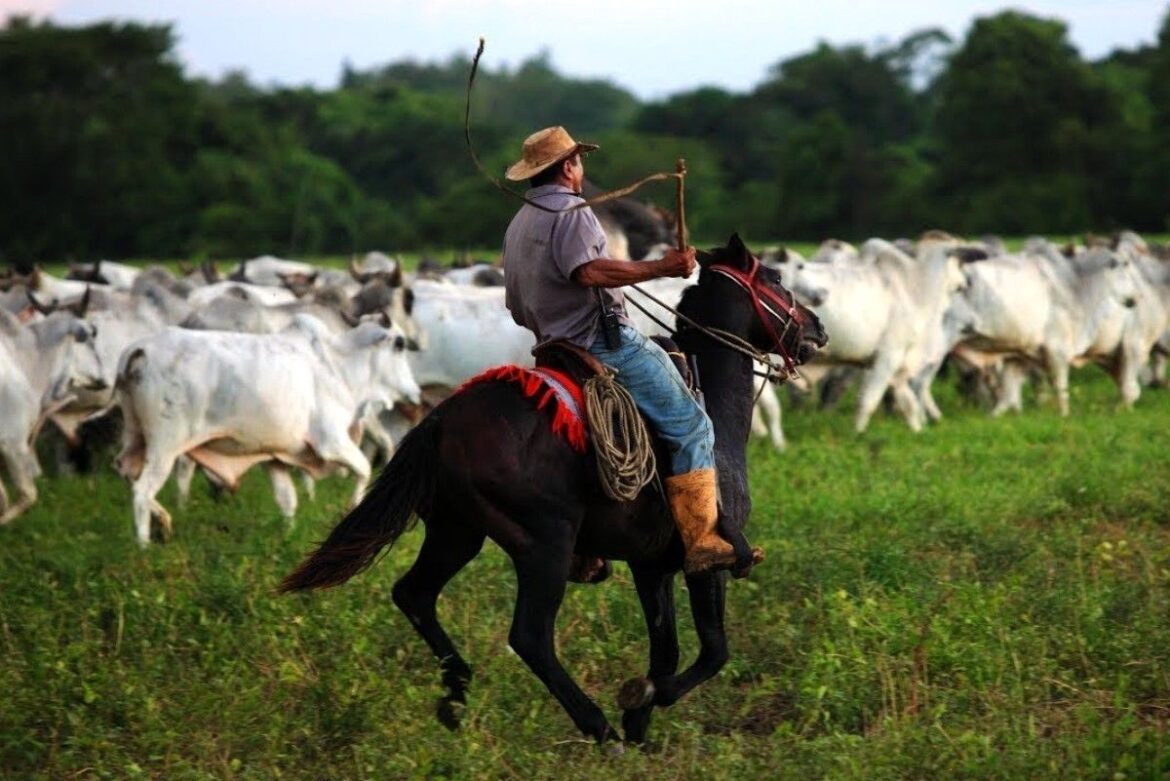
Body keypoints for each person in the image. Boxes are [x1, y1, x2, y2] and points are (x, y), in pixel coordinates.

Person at [501, 126, 740, 574]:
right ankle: (703, 540)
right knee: (691, 423)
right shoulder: (572, 211)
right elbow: (588, 272)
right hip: (601, 343)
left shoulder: (519, 223)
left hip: (550, 349)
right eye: (578, 161)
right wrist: (662, 267)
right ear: (568, 167)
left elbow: (515, 306)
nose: (580, 169)